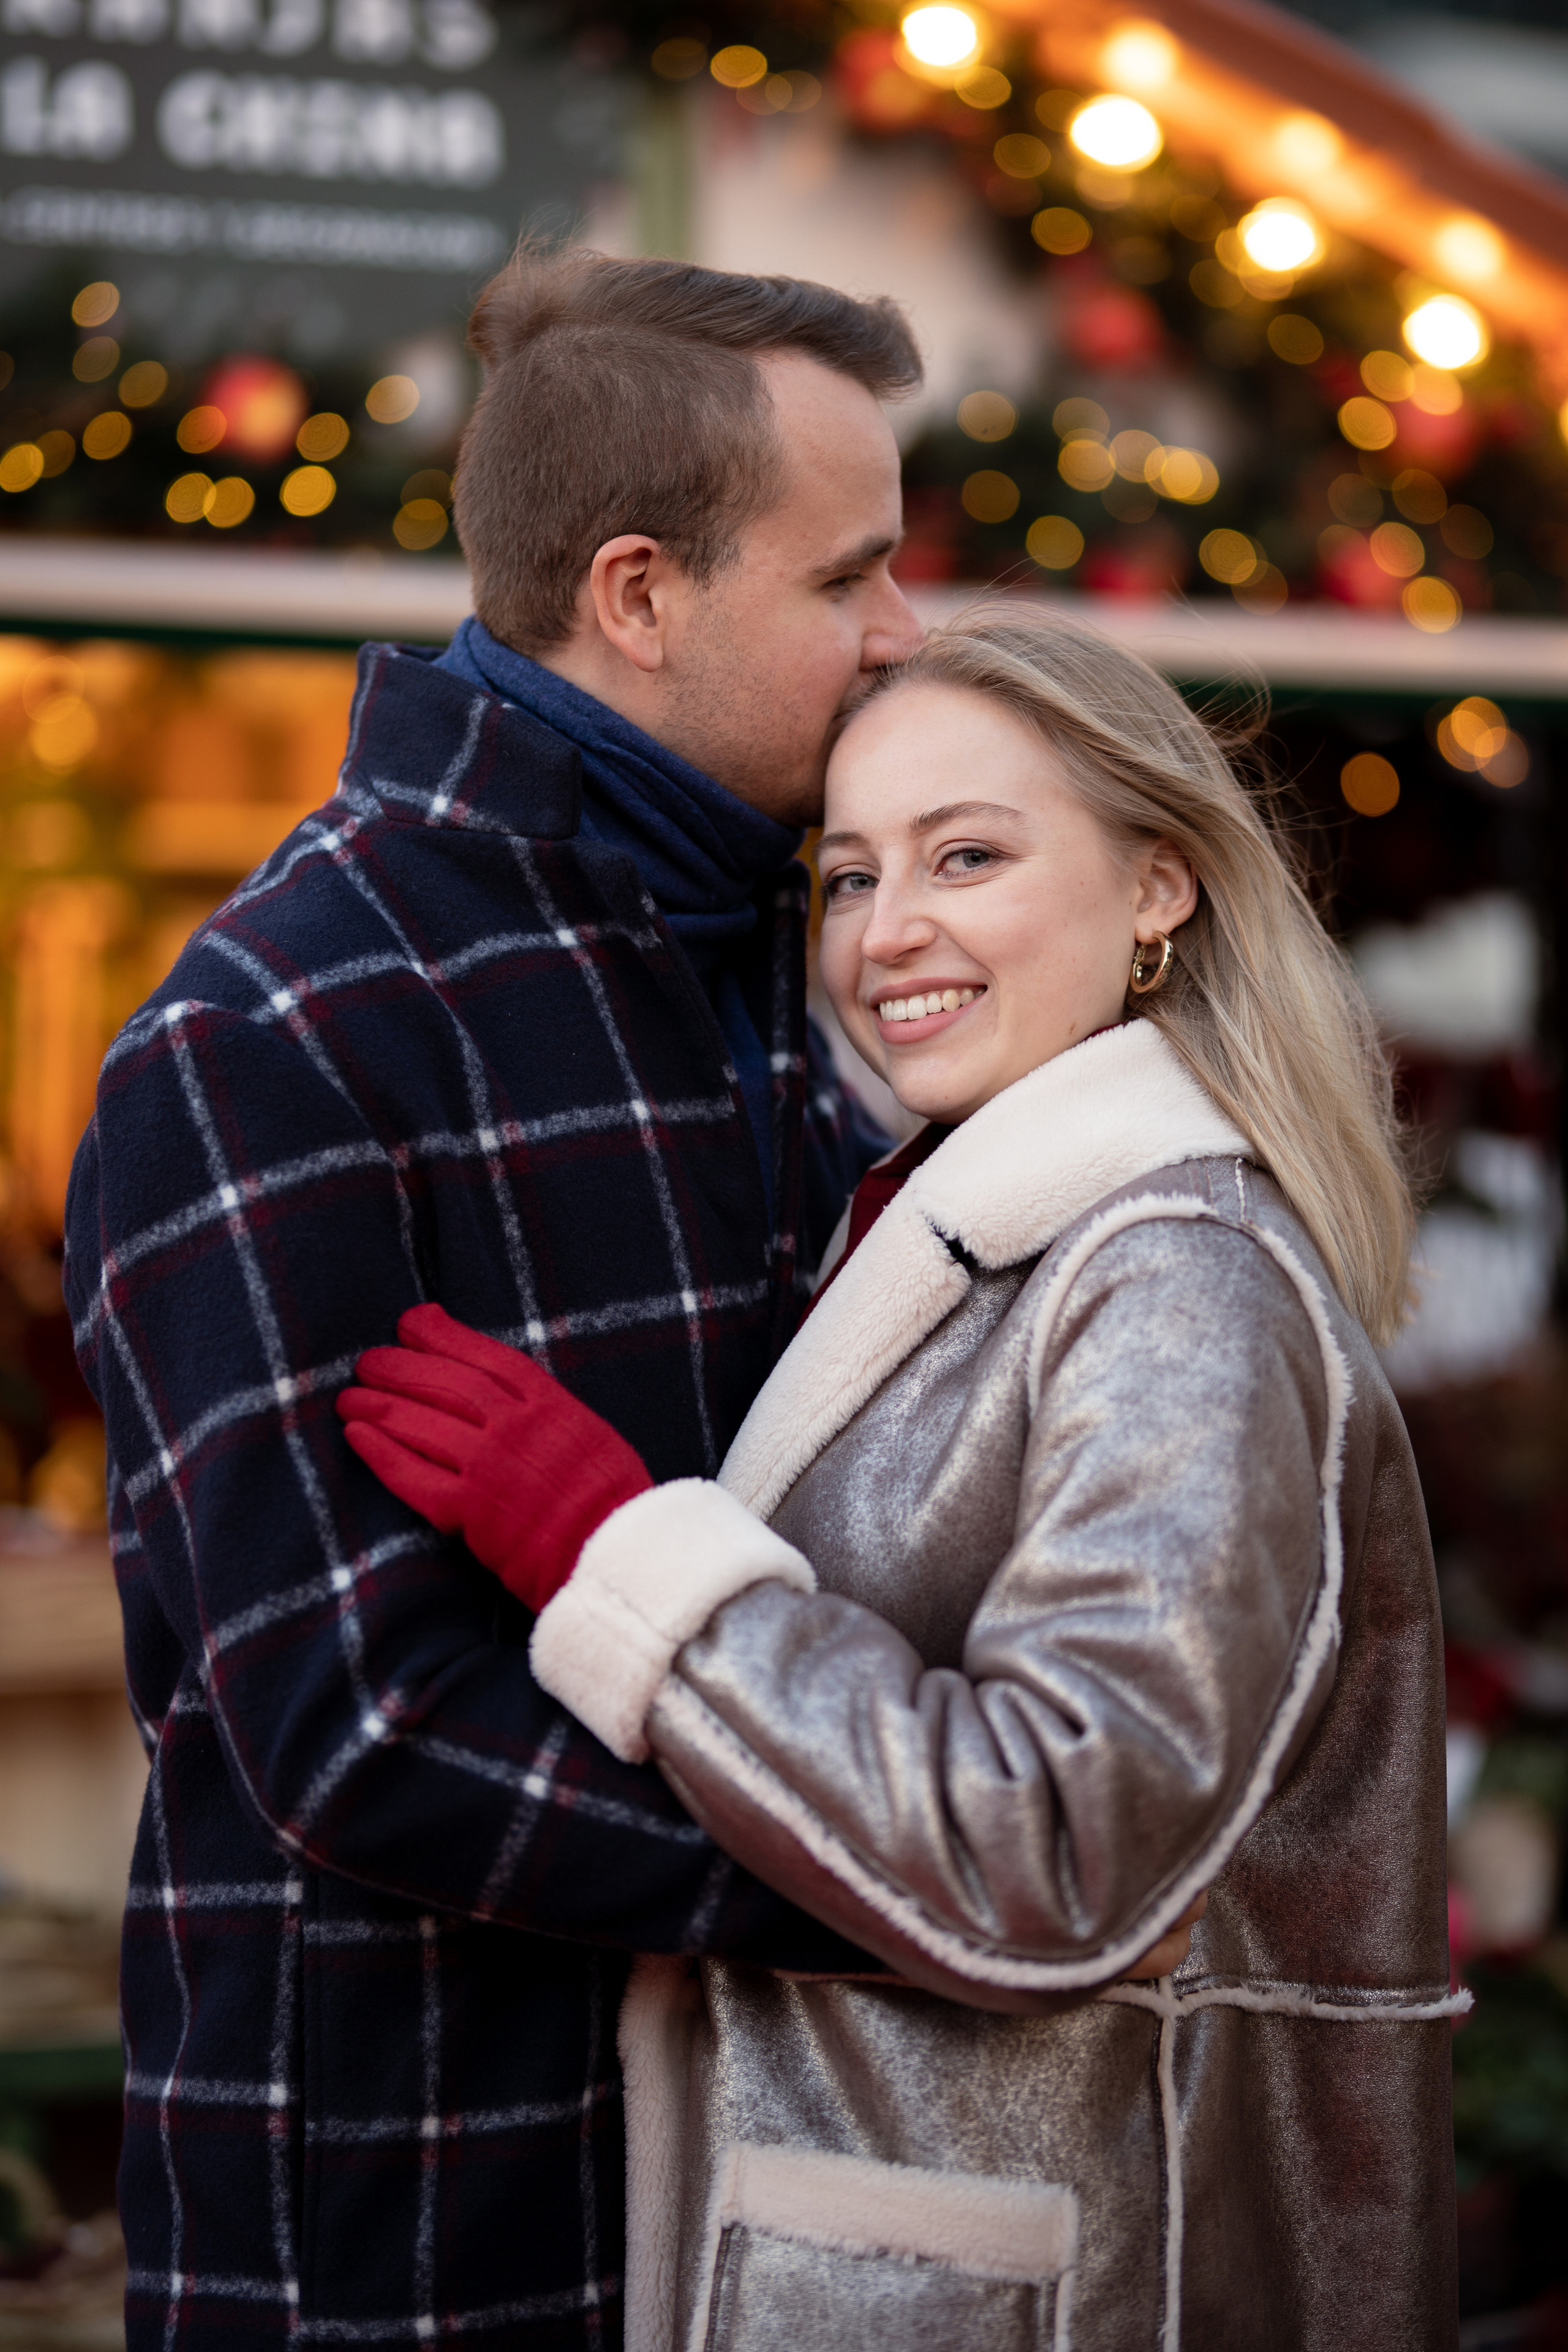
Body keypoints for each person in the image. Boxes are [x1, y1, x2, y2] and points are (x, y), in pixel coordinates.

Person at [341, 608, 1460, 2351]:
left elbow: (1060, 1842)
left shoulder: (1179, 1281)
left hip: (1066, 2276)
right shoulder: (973, 1225)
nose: (890, 932)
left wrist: (620, 1556)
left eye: (970, 855)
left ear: (1160, 885)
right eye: (849, 875)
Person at [62, 247, 933, 2350]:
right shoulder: (275, 1029)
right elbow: (355, 1728)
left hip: (790, 2194)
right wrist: (934, 1876)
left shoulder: (821, 956)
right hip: (415, 2225)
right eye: (849, 581)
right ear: (640, 594)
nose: (906, 637)